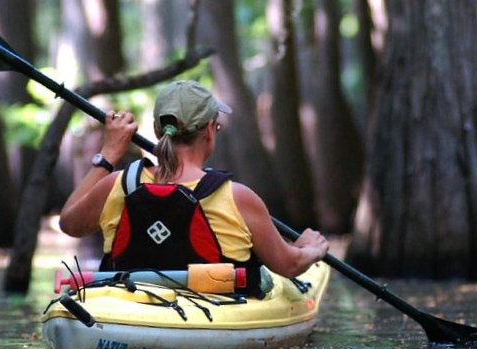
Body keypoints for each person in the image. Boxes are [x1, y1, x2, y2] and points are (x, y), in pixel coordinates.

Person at [59, 80, 329, 288]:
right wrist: (309, 249)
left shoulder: (120, 184)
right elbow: (289, 265)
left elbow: (69, 223)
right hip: (209, 320)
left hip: (130, 310)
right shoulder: (237, 197)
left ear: (156, 130)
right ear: (210, 131)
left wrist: (107, 156)